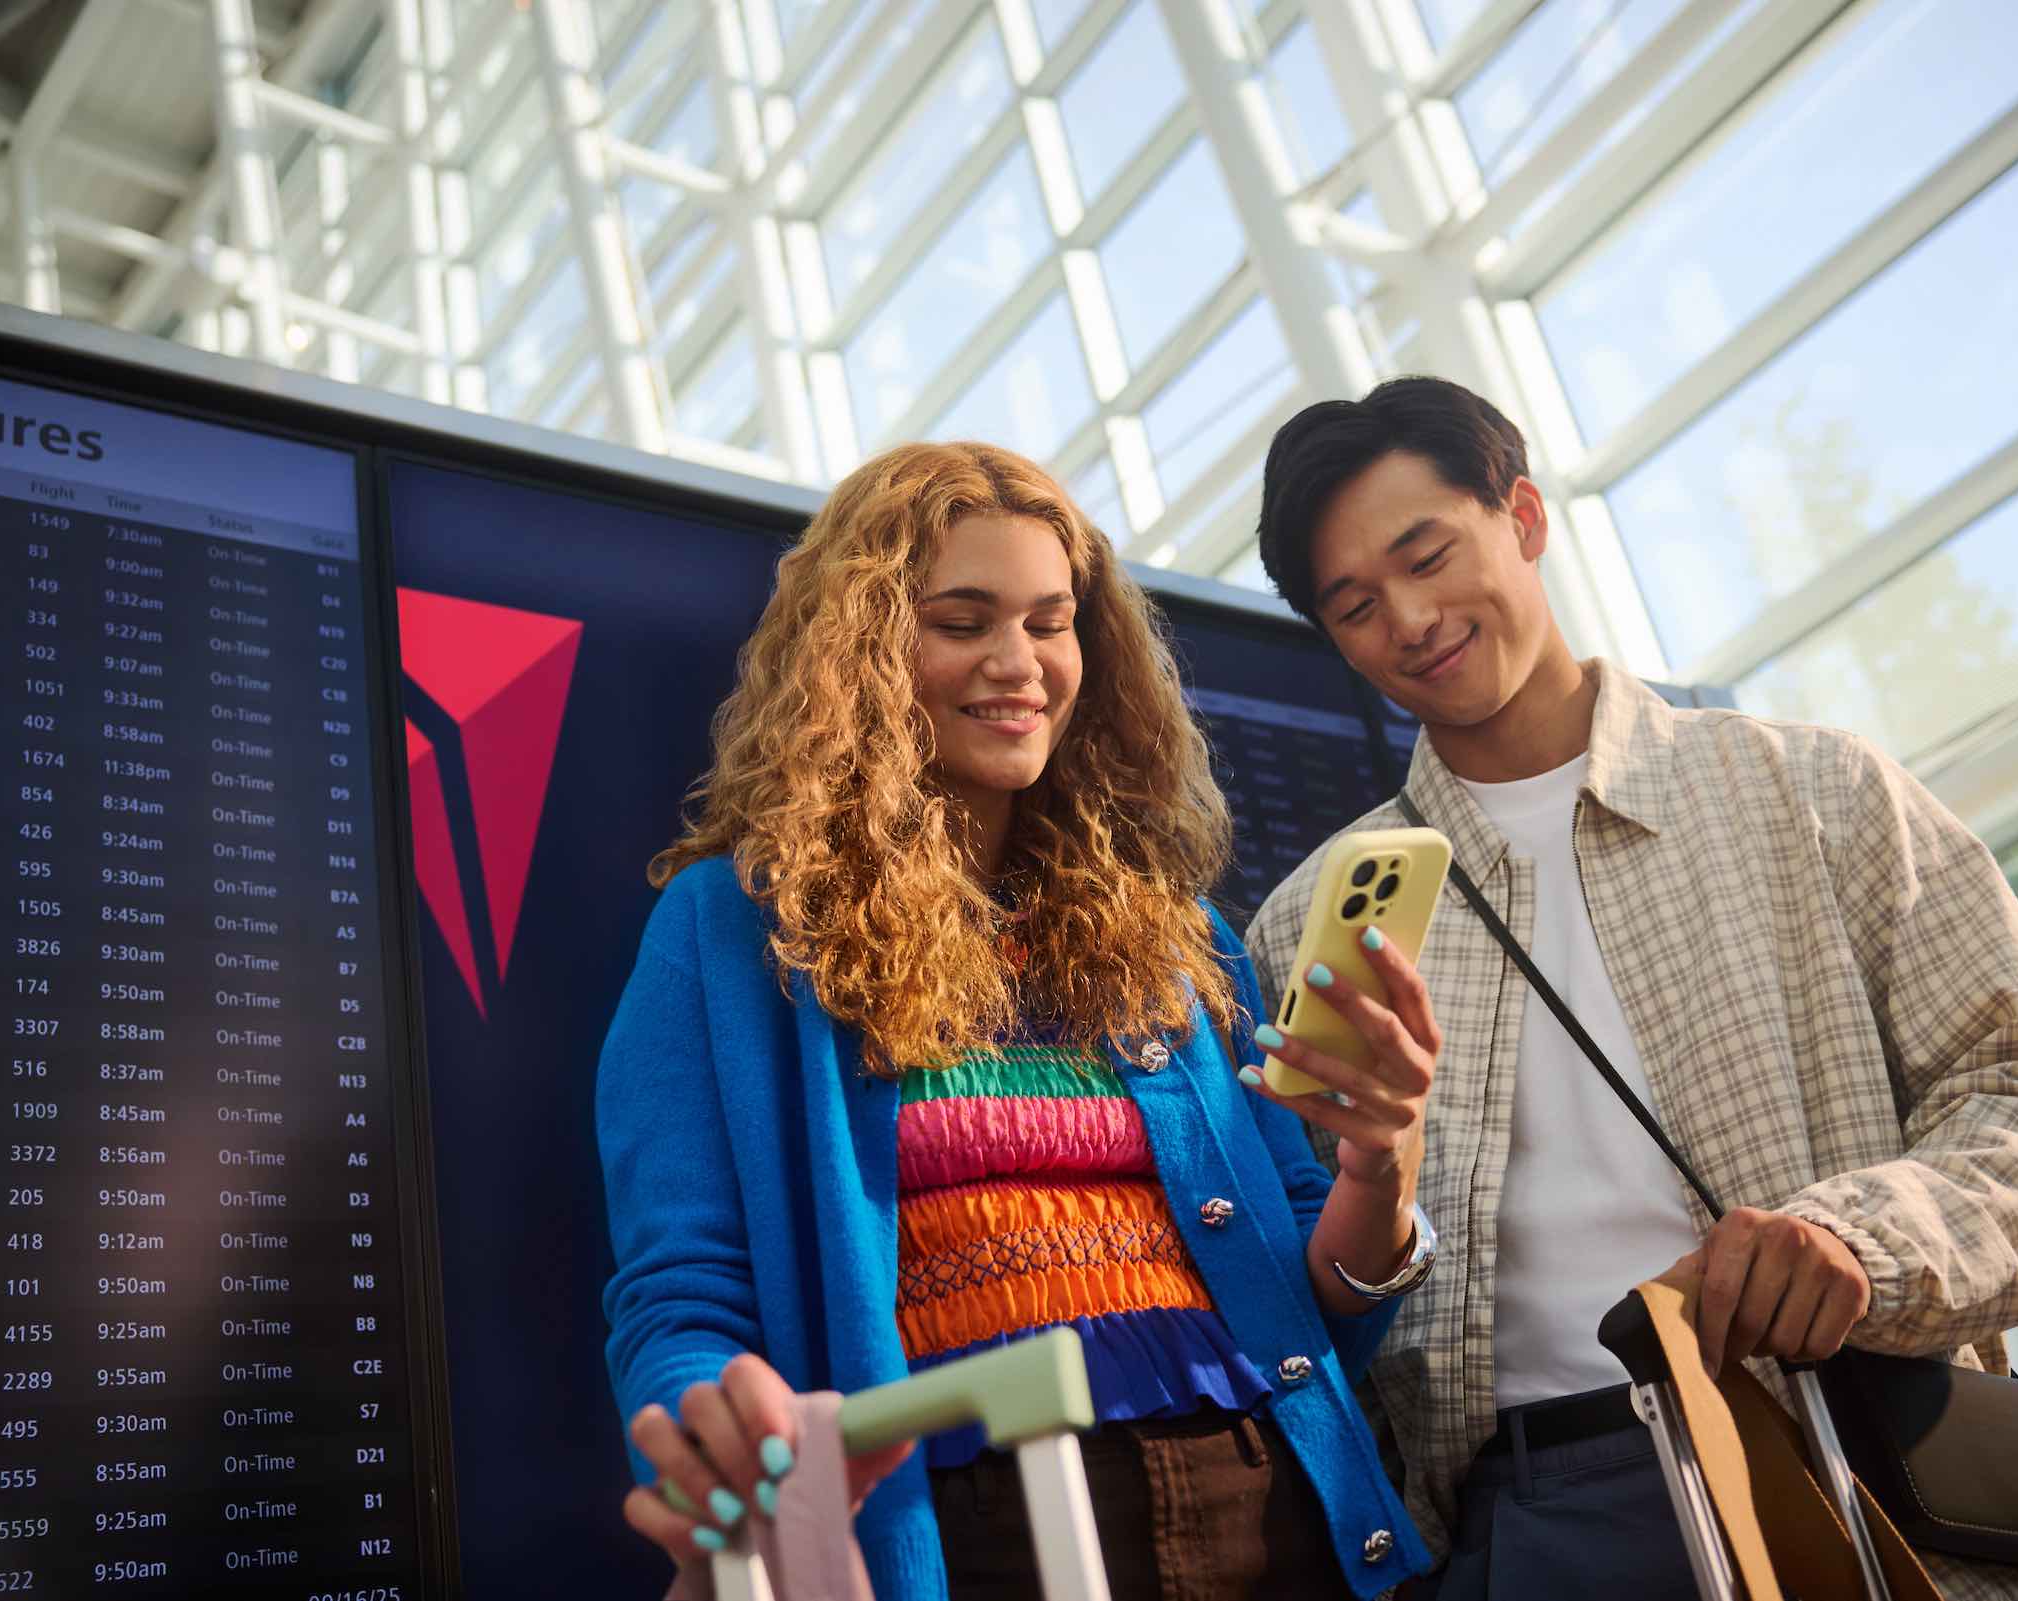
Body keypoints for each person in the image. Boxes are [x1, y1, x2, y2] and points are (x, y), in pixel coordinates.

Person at [1245, 377, 2018, 1601]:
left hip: (1842, 1442)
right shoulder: (1305, 922)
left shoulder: (1812, 790)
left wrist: (1858, 1237)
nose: (1408, 617)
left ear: (1524, 515)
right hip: (1533, 1516)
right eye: (1354, 605)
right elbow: (1305, 1290)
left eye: (1427, 553)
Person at [596, 440, 1445, 1600]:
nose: (1020, 662)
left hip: (1270, 1495)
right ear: (861, 650)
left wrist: (1377, 1160)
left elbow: (1322, 1297)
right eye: (962, 619)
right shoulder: (733, 930)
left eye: (1051, 622)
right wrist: (717, 1436)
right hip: (972, 1527)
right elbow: (682, 1297)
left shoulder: (1176, 929)